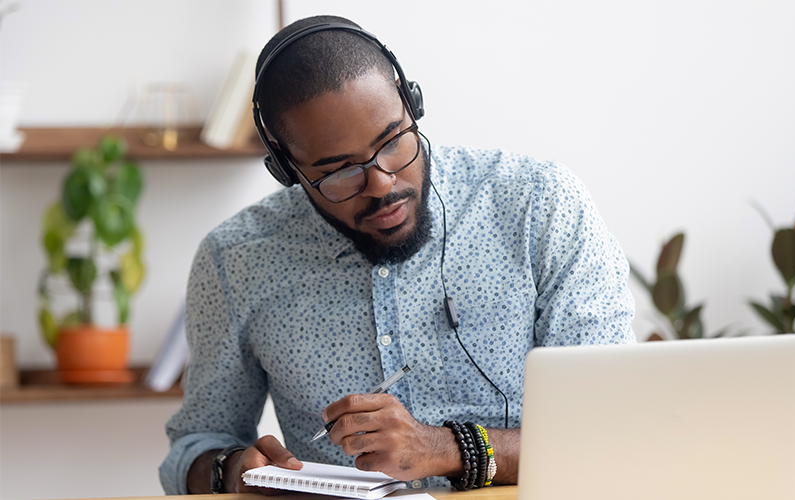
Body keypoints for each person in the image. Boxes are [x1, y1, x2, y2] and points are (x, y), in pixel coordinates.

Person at [159, 14, 636, 495]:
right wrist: (231, 471)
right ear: (286, 170)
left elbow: (614, 427)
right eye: (339, 171)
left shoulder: (540, 205)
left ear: (413, 105)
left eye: (392, 142)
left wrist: (445, 449)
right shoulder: (235, 260)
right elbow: (194, 447)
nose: (382, 183)